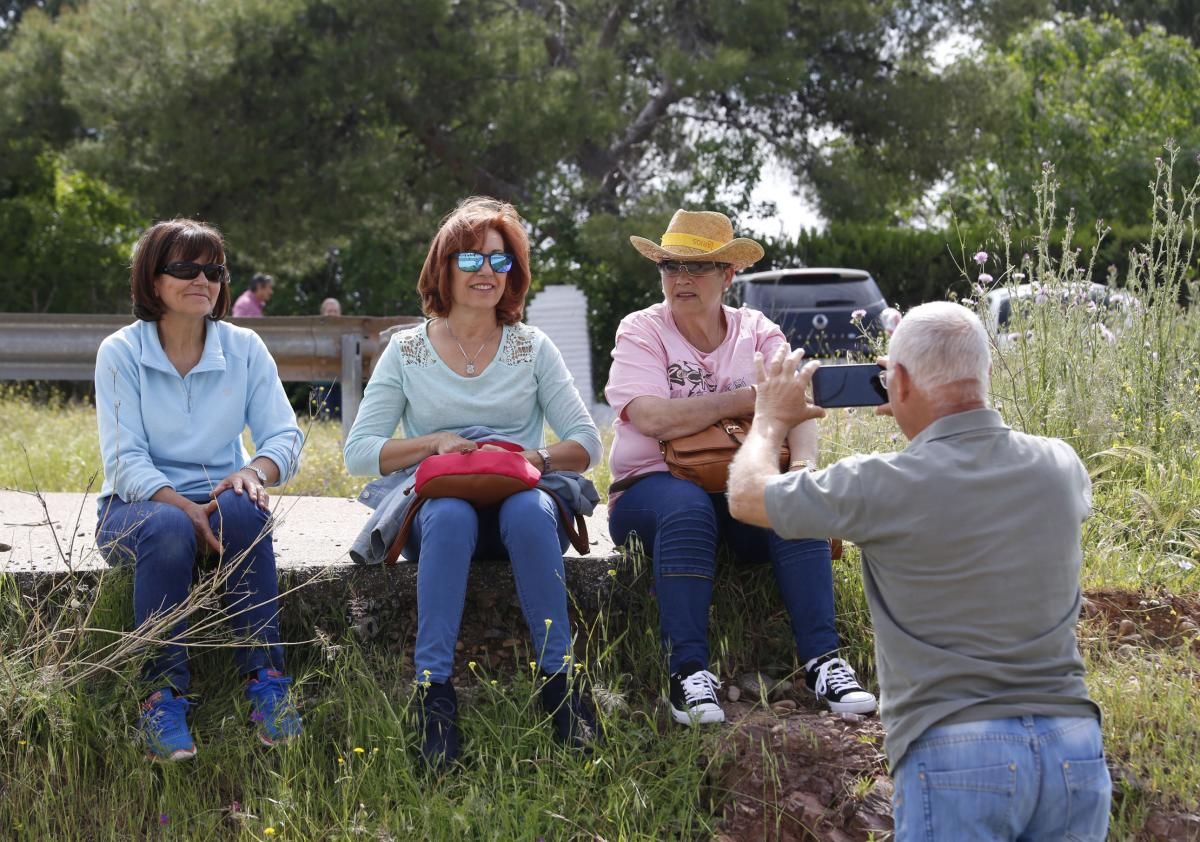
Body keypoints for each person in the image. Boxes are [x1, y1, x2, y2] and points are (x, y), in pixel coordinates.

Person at [728, 302, 1110, 841]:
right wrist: (922, 411)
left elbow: (746, 496)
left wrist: (769, 419)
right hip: (1073, 746)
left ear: (895, 380)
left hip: (955, 749)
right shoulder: (1061, 465)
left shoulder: (881, 483)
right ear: (988, 375)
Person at [343, 196, 603, 770]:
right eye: (471, 260)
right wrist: (433, 444)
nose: (487, 272)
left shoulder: (532, 347)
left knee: (530, 511)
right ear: (444, 267)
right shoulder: (406, 350)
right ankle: (434, 695)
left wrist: (525, 454)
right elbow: (360, 453)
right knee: (450, 516)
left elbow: (586, 443)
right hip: (439, 508)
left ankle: (559, 685)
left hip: (518, 499)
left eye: (500, 260)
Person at [604, 209, 876, 727]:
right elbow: (650, 416)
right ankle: (688, 674)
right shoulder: (641, 329)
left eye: (697, 267)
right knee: (686, 509)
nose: (680, 279)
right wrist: (749, 399)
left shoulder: (757, 329)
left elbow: (794, 400)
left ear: (728, 275)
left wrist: (804, 465)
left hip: (740, 490)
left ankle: (825, 661)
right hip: (651, 489)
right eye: (669, 266)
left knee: (794, 495)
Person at [94, 219, 304, 762]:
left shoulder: (245, 347)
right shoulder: (120, 352)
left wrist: (254, 471)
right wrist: (184, 508)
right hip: (137, 508)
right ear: (153, 279)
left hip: (221, 499)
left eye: (214, 270)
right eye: (185, 268)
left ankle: (267, 681)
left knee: (247, 509)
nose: (202, 279)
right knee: (166, 529)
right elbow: (123, 459)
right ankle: (161, 695)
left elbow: (283, 434)